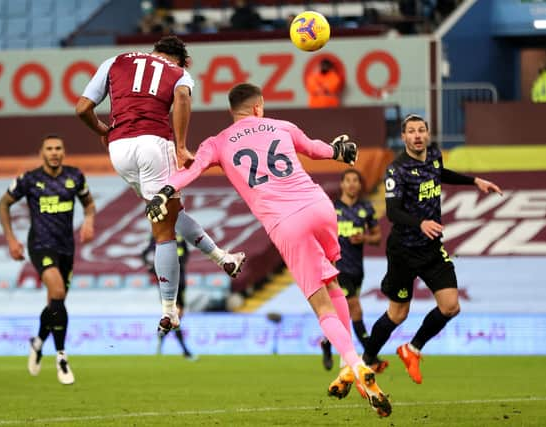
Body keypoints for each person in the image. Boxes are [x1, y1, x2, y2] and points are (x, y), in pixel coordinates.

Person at [145, 83, 391, 417]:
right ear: (259, 106)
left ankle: (357, 365)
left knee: (321, 305)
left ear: (233, 112)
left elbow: (191, 169)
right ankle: (349, 367)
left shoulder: (216, 143)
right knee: (335, 285)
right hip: (320, 207)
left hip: (286, 223)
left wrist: (165, 190)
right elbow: (317, 150)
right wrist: (339, 151)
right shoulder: (281, 126)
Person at [75, 35, 246, 338]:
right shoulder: (178, 72)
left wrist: (104, 130)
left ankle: (223, 258)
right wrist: (180, 147)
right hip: (154, 142)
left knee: (171, 211)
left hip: (119, 149)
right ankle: (170, 309)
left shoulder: (115, 61)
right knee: (164, 230)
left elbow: (82, 108)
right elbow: (181, 99)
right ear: (182, 60)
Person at [361, 114, 502, 384]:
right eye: (411, 131)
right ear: (403, 137)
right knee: (397, 313)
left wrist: (474, 182)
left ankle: (411, 349)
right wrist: (420, 222)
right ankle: (366, 360)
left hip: (431, 249)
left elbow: (441, 173)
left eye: (421, 130)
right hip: (403, 250)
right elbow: (392, 212)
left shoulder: (434, 156)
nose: (417, 135)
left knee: (450, 306)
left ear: (427, 134)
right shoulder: (396, 170)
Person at [0, 135, 96, 385]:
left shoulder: (75, 176)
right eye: (49, 149)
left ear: (64, 152)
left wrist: (89, 220)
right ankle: (61, 358)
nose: (54, 152)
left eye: (58, 148)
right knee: (58, 291)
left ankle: (38, 342)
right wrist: (11, 239)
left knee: (55, 303)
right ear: (41, 152)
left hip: (66, 248)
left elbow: (89, 203)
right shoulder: (30, 180)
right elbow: (3, 204)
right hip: (40, 245)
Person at [320, 169, 385, 372]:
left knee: (341, 314)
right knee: (355, 309)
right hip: (337, 268)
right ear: (342, 185)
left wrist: (364, 238)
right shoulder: (332, 208)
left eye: (355, 180)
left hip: (357, 269)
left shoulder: (366, 208)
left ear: (359, 185)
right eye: (347, 180)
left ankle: (327, 343)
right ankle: (370, 356)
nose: (351, 184)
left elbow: (377, 237)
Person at [142, 234, 197, 360]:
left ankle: (161, 336)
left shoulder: (180, 237)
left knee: (177, 317)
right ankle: (186, 351)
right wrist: (152, 268)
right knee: (174, 315)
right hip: (166, 282)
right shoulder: (158, 235)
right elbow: (146, 254)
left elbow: (186, 254)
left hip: (180, 282)